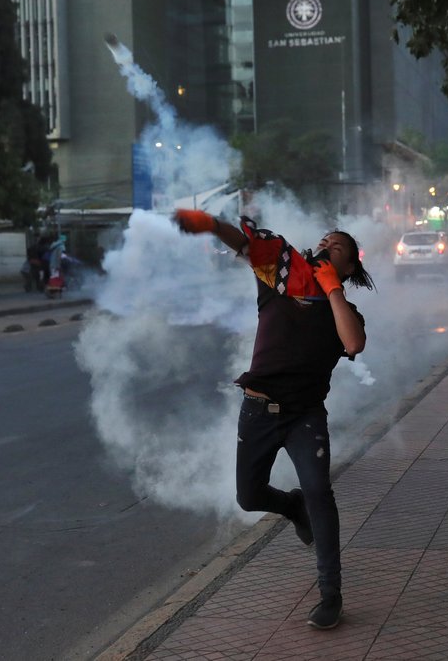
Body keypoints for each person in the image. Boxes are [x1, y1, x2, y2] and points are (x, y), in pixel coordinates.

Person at [173, 208, 375, 630]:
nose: (324, 246)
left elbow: (352, 341)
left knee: (320, 490)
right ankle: (290, 505)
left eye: (336, 247)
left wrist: (332, 289)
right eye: (323, 241)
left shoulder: (345, 310)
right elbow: (248, 246)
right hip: (259, 409)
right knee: (249, 496)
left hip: (305, 415)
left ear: (351, 264)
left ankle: (330, 594)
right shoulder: (280, 280)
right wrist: (212, 225)